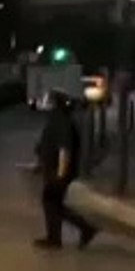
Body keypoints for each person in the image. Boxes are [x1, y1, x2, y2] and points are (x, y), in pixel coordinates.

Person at [33, 89, 98, 250]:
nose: (44, 103)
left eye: (47, 100)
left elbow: (64, 148)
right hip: (53, 169)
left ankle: (73, 233)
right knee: (53, 203)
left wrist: (61, 172)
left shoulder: (61, 121)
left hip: (59, 170)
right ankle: (66, 235)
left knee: (51, 202)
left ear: (55, 103)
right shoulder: (55, 119)